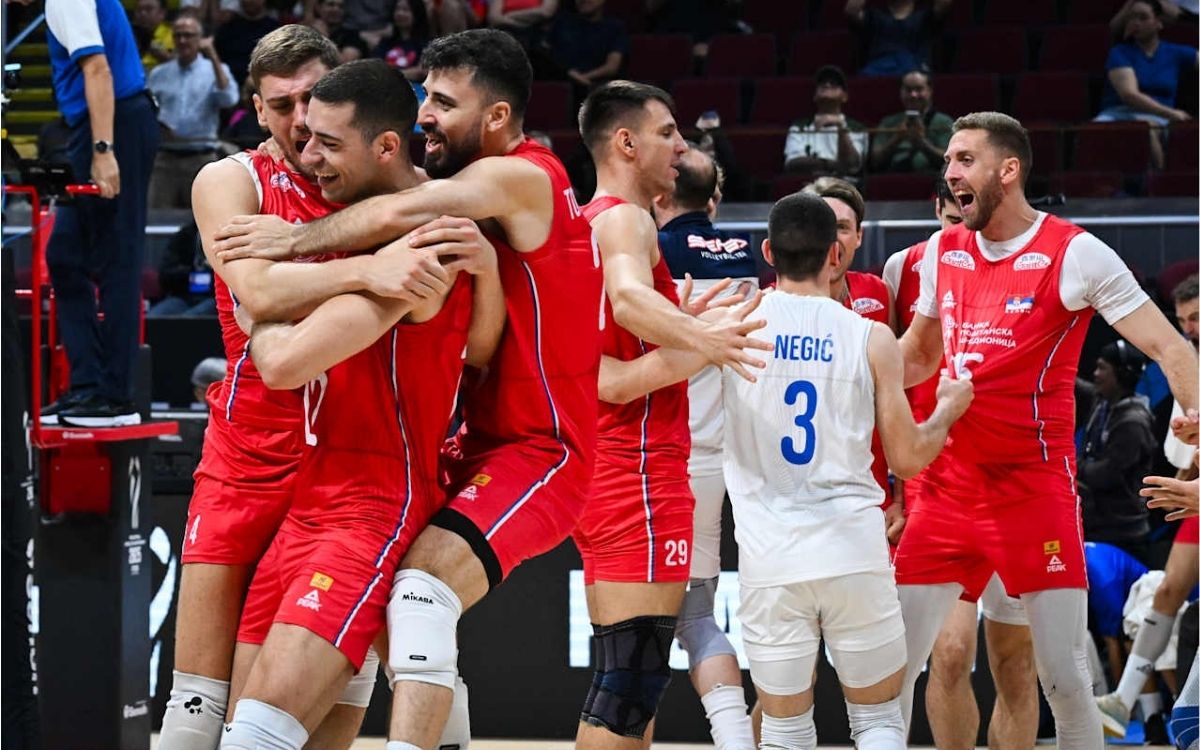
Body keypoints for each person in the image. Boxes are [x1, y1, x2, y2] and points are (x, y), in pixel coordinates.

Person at [211, 29, 603, 748]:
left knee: (418, 596)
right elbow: (481, 347)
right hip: (348, 483)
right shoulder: (432, 226)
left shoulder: (478, 200)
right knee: (248, 716)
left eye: (443, 102)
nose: (305, 153)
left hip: (464, 470)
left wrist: (277, 272)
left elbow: (280, 353)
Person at [894, 110, 1198, 749]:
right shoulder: (942, 251)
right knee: (890, 672)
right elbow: (917, 354)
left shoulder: (1075, 252)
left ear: (1008, 170)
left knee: (1063, 679)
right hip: (946, 490)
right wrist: (847, 373)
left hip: (1032, 493)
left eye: (964, 160)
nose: (950, 173)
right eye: (948, 161)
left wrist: (1195, 412)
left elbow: (1172, 349)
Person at [220, 59, 498, 749]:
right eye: (306, 136)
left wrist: (261, 308)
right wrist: (278, 293)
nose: (306, 154)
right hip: (312, 498)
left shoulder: (429, 238)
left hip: (375, 504)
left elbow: (283, 362)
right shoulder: (344, 223)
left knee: (252, 738)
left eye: (327, 143)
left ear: (385, 146)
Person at [722, 191, 974, 749]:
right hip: (854, 551)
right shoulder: (871, 336)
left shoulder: (732, 325)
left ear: (768, 253)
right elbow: (907, 457)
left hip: (770, 558)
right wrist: (947, 410)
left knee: (784, 729)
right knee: (878, 722)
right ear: (835, 255)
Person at [571, 80, 770, 748]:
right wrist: (704, 340)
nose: (681, 146)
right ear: (626, 143)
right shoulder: (626, 220)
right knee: (631, 682)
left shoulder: (586, 221)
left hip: (603, 464)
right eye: (667, 132)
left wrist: (682, 329)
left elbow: (600, 374)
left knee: (624, 676)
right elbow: (629, 306)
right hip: (638, 469)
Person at [882, 178, 1039, 750]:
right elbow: (892, 381)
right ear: (939, 210)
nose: (966, 230)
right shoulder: (906, 267)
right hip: (938, 482)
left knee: (1015, 663)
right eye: (955, 218)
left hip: (1017, 481)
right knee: (949, 652)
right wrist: (898, 489)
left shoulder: (1035, 262)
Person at [655, 143, 758, 750]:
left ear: (659, 193)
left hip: (675, 454)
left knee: (657, 622)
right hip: (736, 454)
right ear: (713, 199)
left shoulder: (652, 253)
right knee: (705, 614)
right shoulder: (746, 251)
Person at [41, 0, 160, 427]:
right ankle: (88, 386)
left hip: (112, 124)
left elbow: (98, 69)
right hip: (97, 123)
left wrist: (103, 150)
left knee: (116, 259)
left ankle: (116, 398)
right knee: (64, 256)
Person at [1096, 277, 1200, 737]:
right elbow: (1183, 453)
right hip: (1195, 495)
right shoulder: (1184, 364)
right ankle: (1125, 699)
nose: (1189, 328)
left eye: (1196, 317)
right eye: (1182, 321)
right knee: (1166, 589)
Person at [800, 177, 900, 536]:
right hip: (797, 493)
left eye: (842, 227)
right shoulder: (773, 302)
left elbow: (898, 401)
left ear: (858, 236)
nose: (832, 239)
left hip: (870, 492)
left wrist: (899, 496)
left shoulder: (878, 294)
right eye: (822, 226)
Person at [147, 14, 240, 209]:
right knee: (158, 219)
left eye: (188, 35)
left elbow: (229, 99)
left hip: (201, 159)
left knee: (202, 219)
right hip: (165, 160)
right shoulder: (159, 73)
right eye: (178, 35)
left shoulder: (215, 70)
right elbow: (147, 112)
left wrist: (213, 56)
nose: (183, 40)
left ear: (200, 39)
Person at [1094, 0, 1198, 169]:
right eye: (1132, 18)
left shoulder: (1176, 52)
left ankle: (1159, 180)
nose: (1136, 22)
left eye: (1143, 17)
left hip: (1158, 118)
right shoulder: (1120, 52)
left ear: (1158, 23)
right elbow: (1129, 95)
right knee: (1093, 133)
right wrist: (1171, 113)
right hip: (1118, 114)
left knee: (1147, 129)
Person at [1079, 340, 1157, 561]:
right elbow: (1078, 387)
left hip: (1123, 536)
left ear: (1122, 375)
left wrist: (1072, 465)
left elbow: (1106, 474)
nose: (1095, 374)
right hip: (1101, 526)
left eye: (1102, 368)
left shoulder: (1133, 423)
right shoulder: (1103, 402)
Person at [783, 66, 868, 181]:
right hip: (808, 185)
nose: (827, 85)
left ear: (845, 97)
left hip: (844, 185)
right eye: (822, 83)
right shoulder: (800, 126)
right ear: (814, 96)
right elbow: (792, 164)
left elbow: (852, 165)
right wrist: (831, 164)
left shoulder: (857, 127)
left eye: (834, 84)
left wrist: (840, 127)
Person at [871, 68, 953, 175]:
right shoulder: (889, 122)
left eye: (919, 89)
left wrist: (921, 142)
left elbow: (950, 161)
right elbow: (874, 161)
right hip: (894, 178)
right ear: (901, 92)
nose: (913, 95)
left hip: (930, 178)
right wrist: (897, 138)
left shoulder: (944, 121)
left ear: (929, 91)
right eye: (908, 90)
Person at [845, 0, 952, 77]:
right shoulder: (874, 16)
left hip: (915, 70)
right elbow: (852, 11)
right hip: (879, 71)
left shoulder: (925, 16)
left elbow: (945, 2)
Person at [545, 0, 629, 95]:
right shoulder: (562, 23)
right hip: (562, 86)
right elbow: (548, 57)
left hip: (597, 89)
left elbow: (611, 67)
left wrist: (582, 78)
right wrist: (569, 74)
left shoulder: (615, 28)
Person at [148, 221, 218, 315]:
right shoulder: (185, 235)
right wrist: (191, 275)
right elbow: (165, 275)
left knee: (189, 319)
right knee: (154, 317)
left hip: (213, 297)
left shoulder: (224, 235)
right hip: (183, 295)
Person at [216, 0, 282, 85]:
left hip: (260, 83)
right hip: (227, 82)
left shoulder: (274, 29)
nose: (249, 1)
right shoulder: (228, 27)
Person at [374, 0, 430, 80]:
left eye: (406, 10)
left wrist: (389, 76)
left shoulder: (426, 43)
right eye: (397, 9)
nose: (400, 13)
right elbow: (375, 68)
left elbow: (422, 71)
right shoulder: (385, 42)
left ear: (417, 13)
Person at [132, 0, 173, 70]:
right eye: (139, 10)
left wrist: (164, 56)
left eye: (149, 9)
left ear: (162, 13)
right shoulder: (129, 35)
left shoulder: (174, 35)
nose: (143, 13)